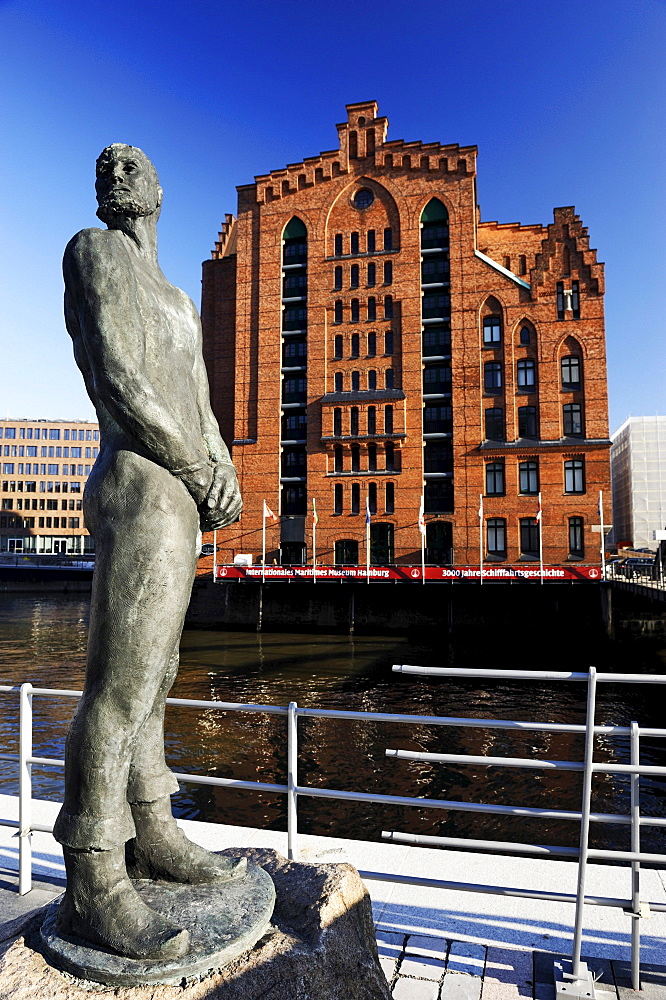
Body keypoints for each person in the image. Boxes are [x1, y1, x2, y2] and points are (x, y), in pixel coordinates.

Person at [53, 144, 245, 961]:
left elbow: (199, 399)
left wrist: (224, 465)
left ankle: (154, 828)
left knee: (159, 675)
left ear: (161, 189)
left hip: (183, 490)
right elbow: (119, 376)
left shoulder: (177, 296)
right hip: (138, 479)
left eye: (132, 165)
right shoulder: (93, 252)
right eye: (106, 168)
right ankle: (95, 868)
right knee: (121, 682)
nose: (116, 175)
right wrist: (198, 466)